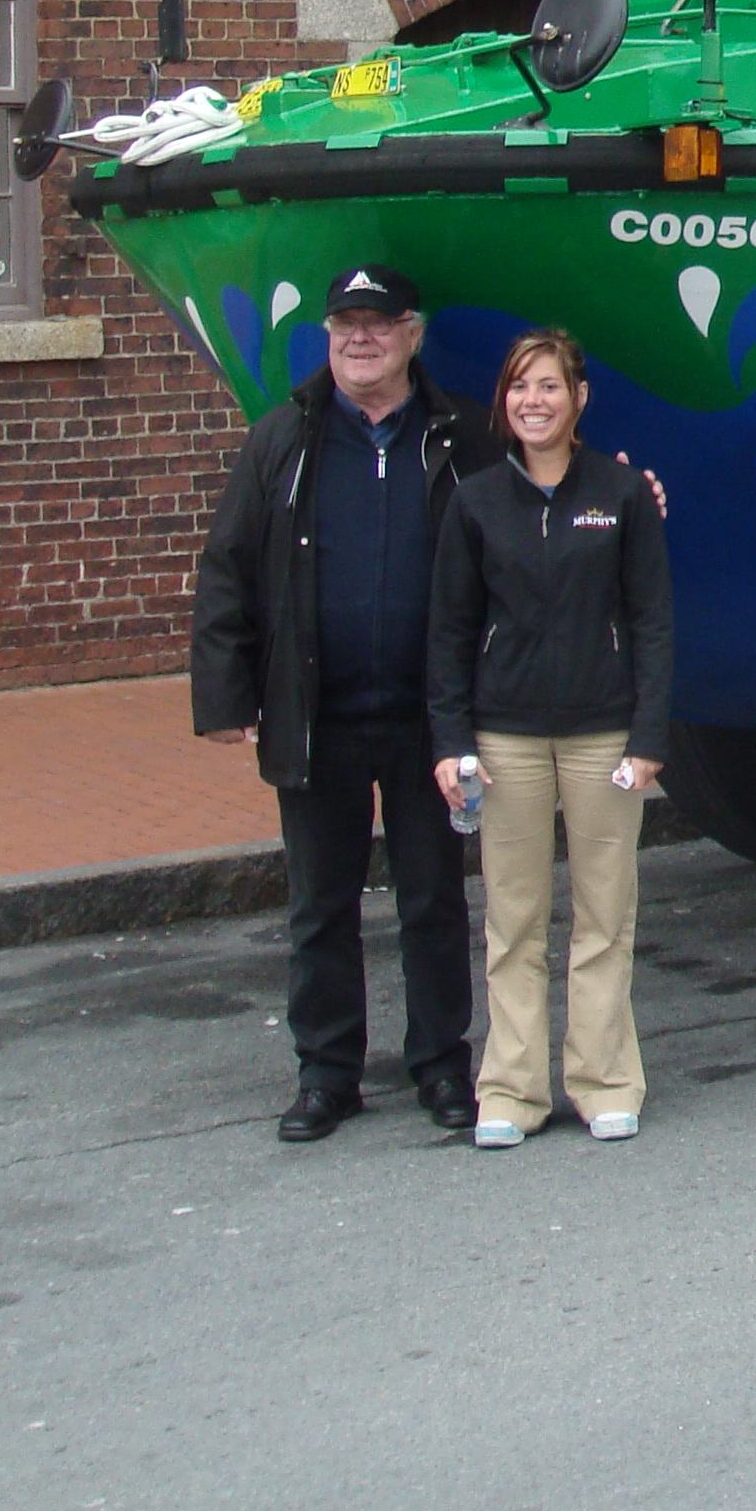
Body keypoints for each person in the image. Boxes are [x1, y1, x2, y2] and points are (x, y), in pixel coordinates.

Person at [191, 263, 502, 1142]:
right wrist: (226, 692)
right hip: (316, 714)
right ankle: (327, 1075)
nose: (360, 339)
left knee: (433, 901)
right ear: (327, 336)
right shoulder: (282, 439)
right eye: (345, 325)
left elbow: (528, 531)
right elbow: (228, 567)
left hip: (429, 720)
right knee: (319, 906)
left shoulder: (462, 435)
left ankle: (441, 1067)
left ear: (413, 334)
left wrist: (629, 491)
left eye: (378, 323)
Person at [428, 327, 675, 1150]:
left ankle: (605, 1082)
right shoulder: (475, 502)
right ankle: (511, 1090)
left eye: (549, 386)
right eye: (518, 386)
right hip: (505, 739)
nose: (532, 401)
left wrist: (648, 736)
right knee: (514, 920)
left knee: (606, 914)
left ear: (579, 398)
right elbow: (450, 632)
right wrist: (450, 740)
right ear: (503, 401)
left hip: (605, 735)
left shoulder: (623, 494)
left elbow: (652, 621)